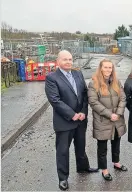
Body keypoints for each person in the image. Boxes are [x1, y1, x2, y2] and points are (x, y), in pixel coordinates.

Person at [45, 50, 98, 191]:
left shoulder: (78, 73)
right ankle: (63, 178)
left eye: (70, 59)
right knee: (63, 150)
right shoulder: (52, 78)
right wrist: (72, 114)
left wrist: (83, 112)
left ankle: (83, 167)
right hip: (64, 121)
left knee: (81, 145)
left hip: (80, 119)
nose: (68, 62)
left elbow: (85, 95)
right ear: (58, 61)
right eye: (65, 59)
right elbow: (55, 100)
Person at [87, 59, 128, 181]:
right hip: (103, 120)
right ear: (100, 68)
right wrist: (110, 114)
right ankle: (104, 169)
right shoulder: (93, 83)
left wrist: (119, 113)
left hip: (117, 119)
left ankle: (116, 162)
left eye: (110, 67)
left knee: (116, 142)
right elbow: (93, 102)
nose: (108, 70)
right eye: (105, 67)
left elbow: (123, 98)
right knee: (102, 146)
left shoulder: (117, 82)